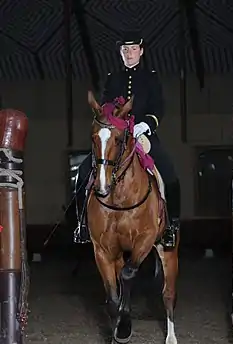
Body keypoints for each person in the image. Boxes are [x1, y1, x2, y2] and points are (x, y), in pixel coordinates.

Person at [74, 30, 181, 250]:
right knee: (82, 173)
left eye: (133, 49)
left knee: (169, 174)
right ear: (120, 53)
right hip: (116, 136)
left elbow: (158, 107)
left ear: (141, 51)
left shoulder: (151, 77)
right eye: (125, 50)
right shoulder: (113, 78)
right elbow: (105, 107)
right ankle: (82, 225)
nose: (129, 54)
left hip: (142, 135)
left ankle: (171, 226)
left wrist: (147, 124)